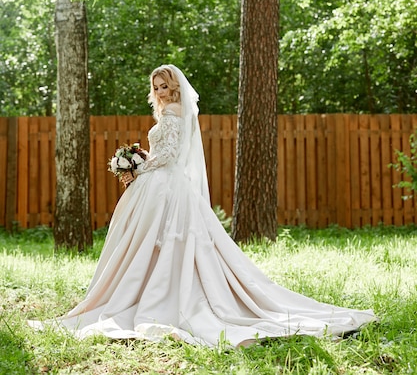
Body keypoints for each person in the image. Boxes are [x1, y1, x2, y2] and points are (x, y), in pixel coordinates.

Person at [30, 64, 376, 347]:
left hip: (164, 185)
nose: (161, 91)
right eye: (157, 86)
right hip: (165, 182)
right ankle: (147, 287)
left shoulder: (173, 113)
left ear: (176, 87)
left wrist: (137, 166)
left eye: (165, 85)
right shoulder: (171, 112)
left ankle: (156, 295)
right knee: (151, 242)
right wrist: (141, 163)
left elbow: (167, 154)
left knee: (161, 241)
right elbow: (169, 152)